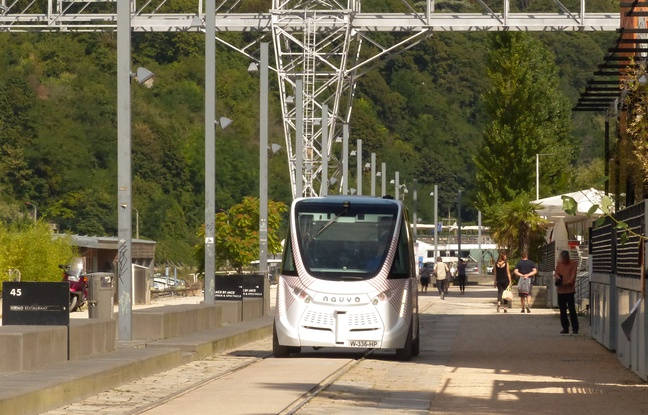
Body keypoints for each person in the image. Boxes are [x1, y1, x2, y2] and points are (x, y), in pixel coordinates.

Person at [554, 250, 578, 334]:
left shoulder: (573, 264)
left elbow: (573, 276)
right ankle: (565, 328)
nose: (563, 261)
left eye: (564, 259)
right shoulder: (559, 264)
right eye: (562, 259)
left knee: (572, 310)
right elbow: (556, 273)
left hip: (569, 290)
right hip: (560, 291)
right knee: (562, 310)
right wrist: (557, 277)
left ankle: (575, 328)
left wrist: (568, 282)